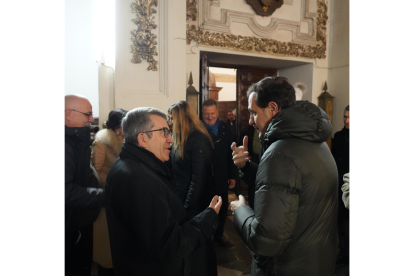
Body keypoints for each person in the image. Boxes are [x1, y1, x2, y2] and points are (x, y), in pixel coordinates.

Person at [230, 77, 338, 276]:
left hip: (287, 267)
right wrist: (246, 166)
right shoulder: (315, 141)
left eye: (254, 112)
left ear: (272, 108)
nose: (250, 121)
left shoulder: (280, 153)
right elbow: (288, 187)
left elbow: (265, 240)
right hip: (317, 261)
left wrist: (240, 211)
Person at [105, 107, 222, 276]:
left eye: (169, 131)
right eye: (164, 132)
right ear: (143, 138)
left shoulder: (133, 165)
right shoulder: (139, 179)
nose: (171, 140)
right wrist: (209, 217)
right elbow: (171, 244)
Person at [167, 101, 217, 276]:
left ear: (180, 117)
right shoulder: (181, 137)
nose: (169, 121)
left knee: (200, 247)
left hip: (195, 202)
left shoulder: (199, 139)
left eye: (171, 117)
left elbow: (198, 179)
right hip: (181, 198)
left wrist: (188, 209)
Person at [65, 95, 105, 275]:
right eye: (87, 114)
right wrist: (105, 196)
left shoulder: (75, 138)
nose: (91, 119)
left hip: (77, 221)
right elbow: (65, 192)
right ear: (68, 114)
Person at [91, 108, 128, 276]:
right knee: (106, 247)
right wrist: (115, 181)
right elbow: (95, 172)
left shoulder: (128, 139)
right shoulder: (101, 142)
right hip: (107, 199)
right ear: (117, 127)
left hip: (125, 199)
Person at [202, 99, 236, 249]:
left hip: (222, 175)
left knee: (222, 206)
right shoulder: (197, 129)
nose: (210, 117)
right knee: (205, 206)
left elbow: (231, 153)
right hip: (204, 177)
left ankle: (219, 235)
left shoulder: (225, 128)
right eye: (206, 114)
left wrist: (232, 174)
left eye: (212, 113)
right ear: (202, 114)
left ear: (217, 112)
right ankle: (205, 236)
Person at [331, 105, 350, 265]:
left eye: (350, 117)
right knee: (342, 222)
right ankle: (343, 252)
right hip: (341, 184)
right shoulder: (338, 137)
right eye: (345, 116)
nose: (346, 120)